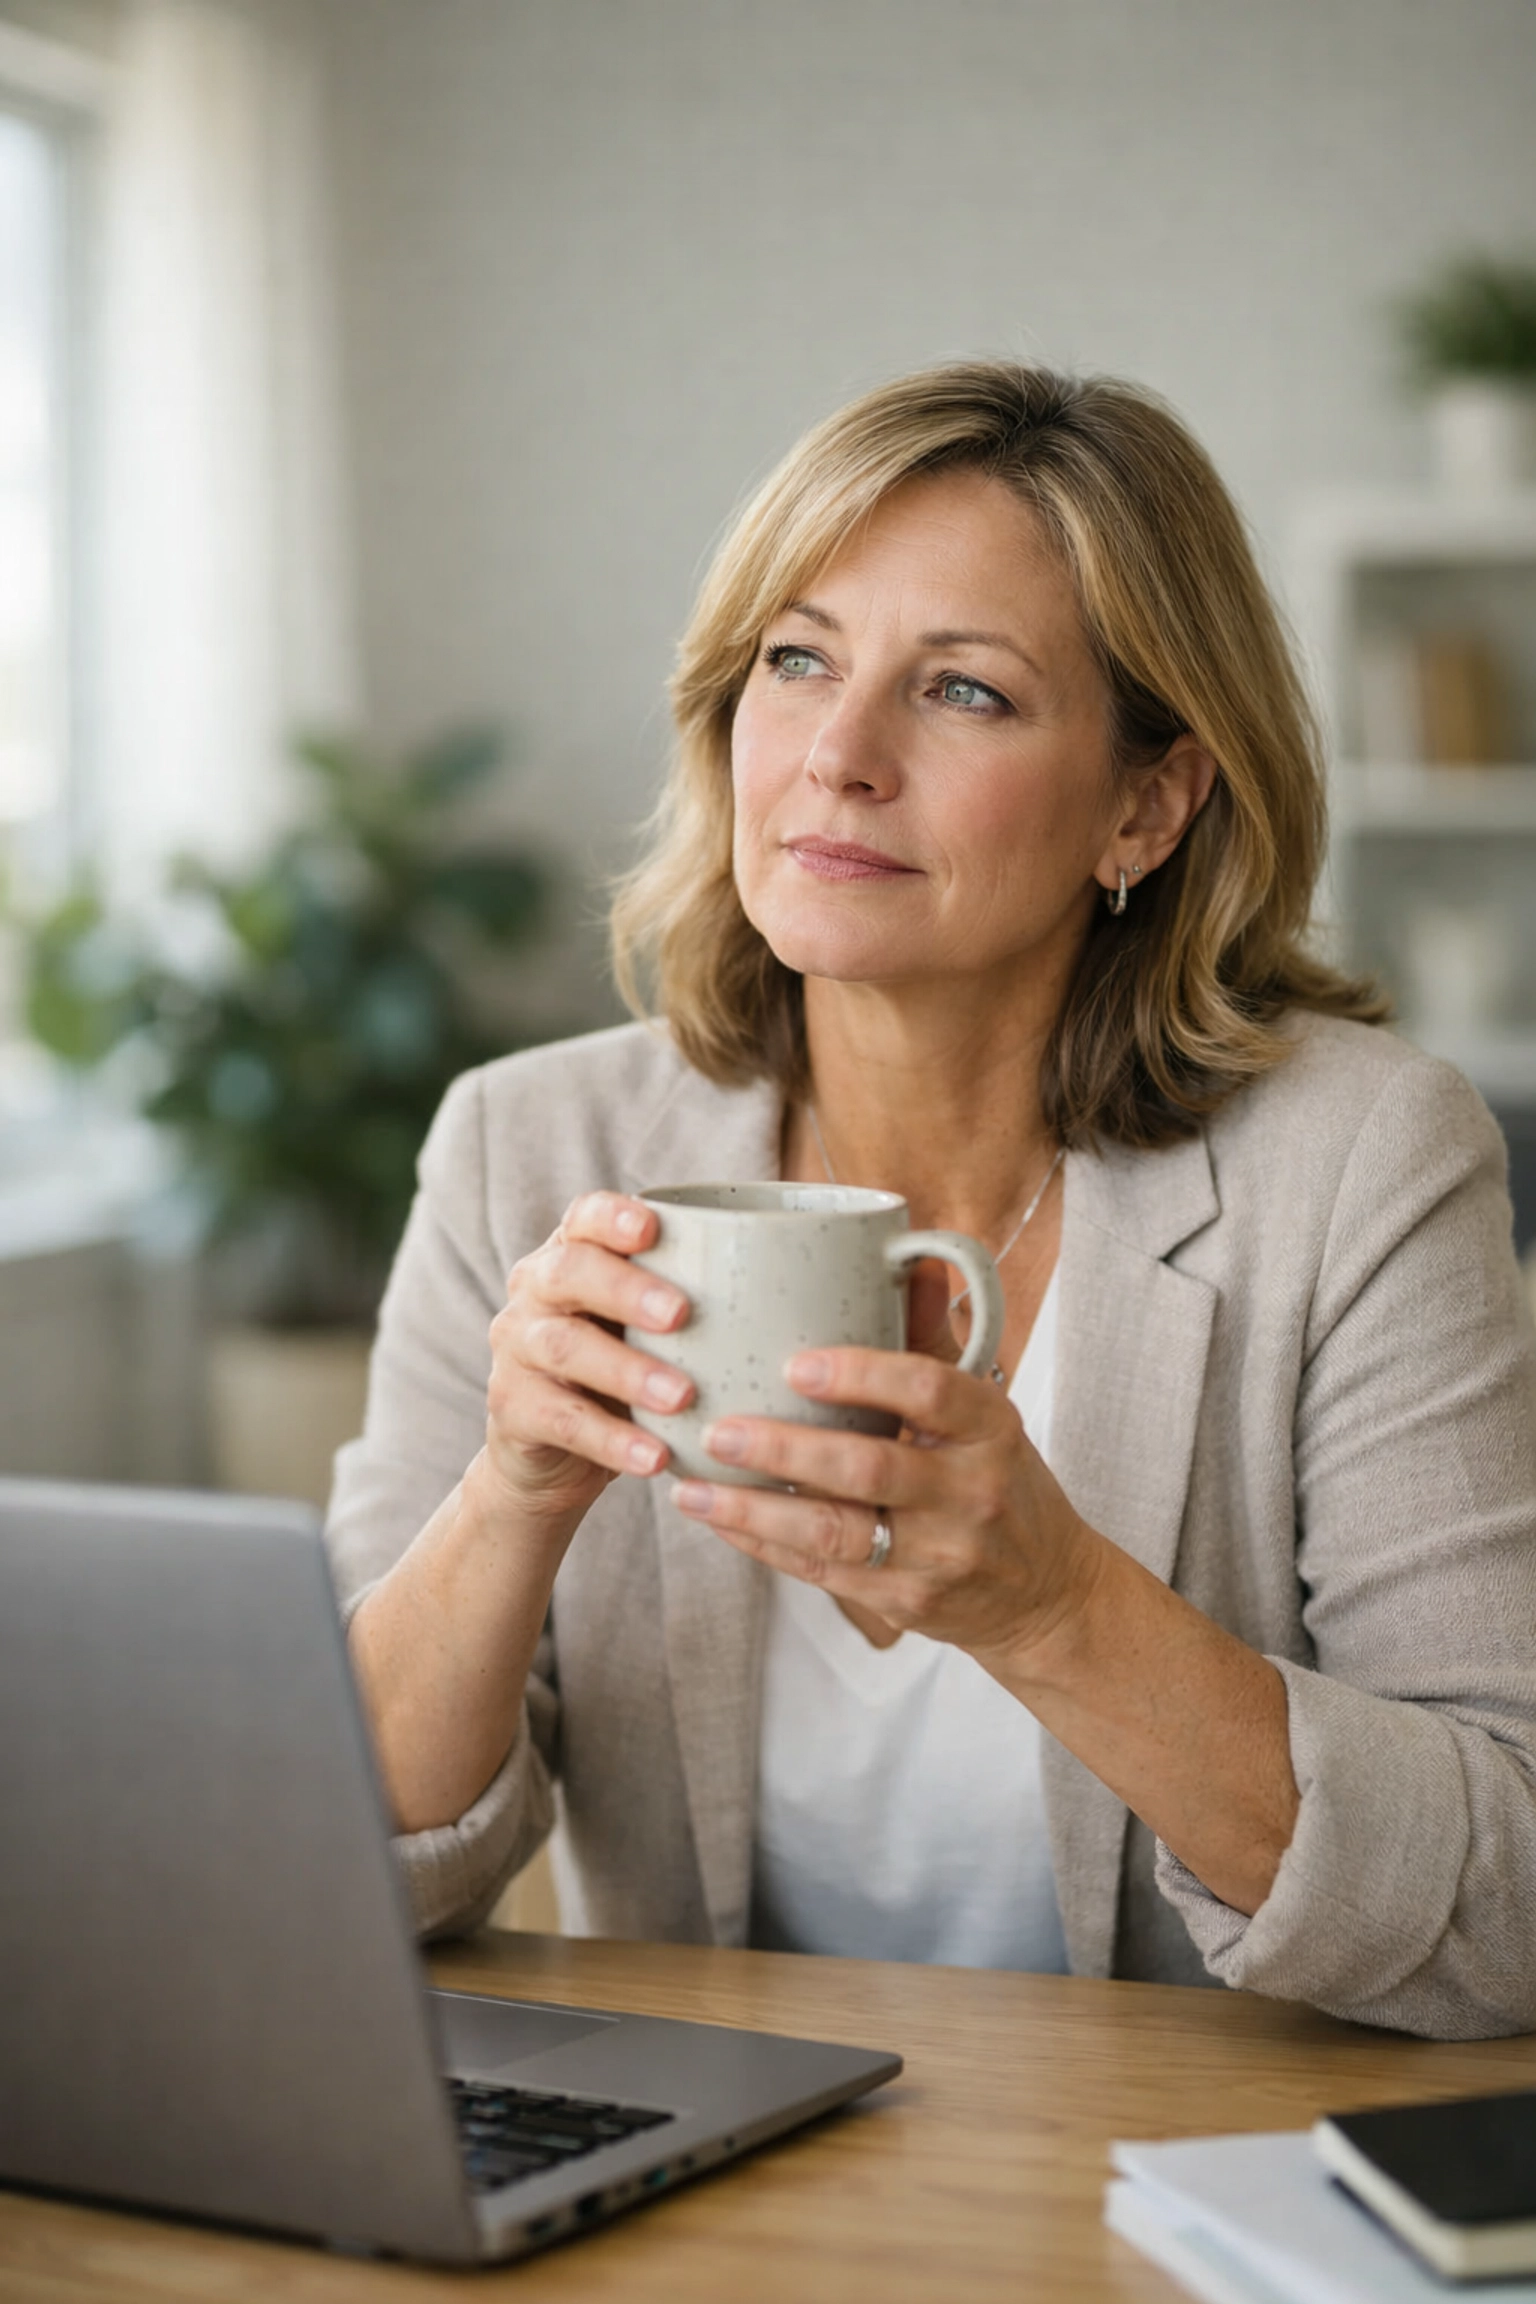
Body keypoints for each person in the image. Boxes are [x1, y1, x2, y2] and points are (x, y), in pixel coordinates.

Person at [329, 362, 1536, 2040]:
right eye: (797, 660)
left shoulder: (1362, 1166)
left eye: (962, 691)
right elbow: (349, 1874)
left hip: (1181, 2200)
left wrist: (1054, 1610)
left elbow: (1506, 1918)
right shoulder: (526, 1147)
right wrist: (511, 1499)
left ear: (1149, 801)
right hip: (716, 2206)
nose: (837, 755)